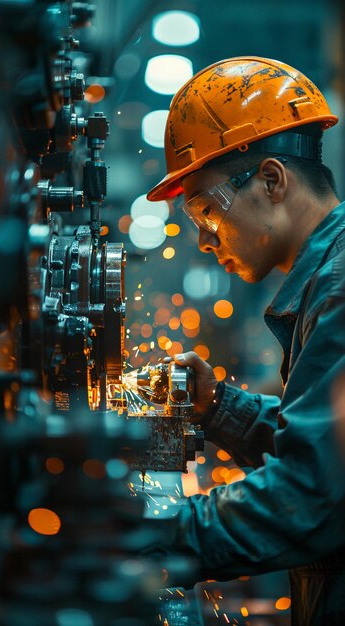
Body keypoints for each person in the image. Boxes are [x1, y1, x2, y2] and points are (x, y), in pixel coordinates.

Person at [146, 57, 345, 625]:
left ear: (272, 180)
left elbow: (310, 499)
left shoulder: (338, 289)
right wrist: (220, 409)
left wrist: (151, 532)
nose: (206, 242)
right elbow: (328, 458)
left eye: (208, 211)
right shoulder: (327, 279)